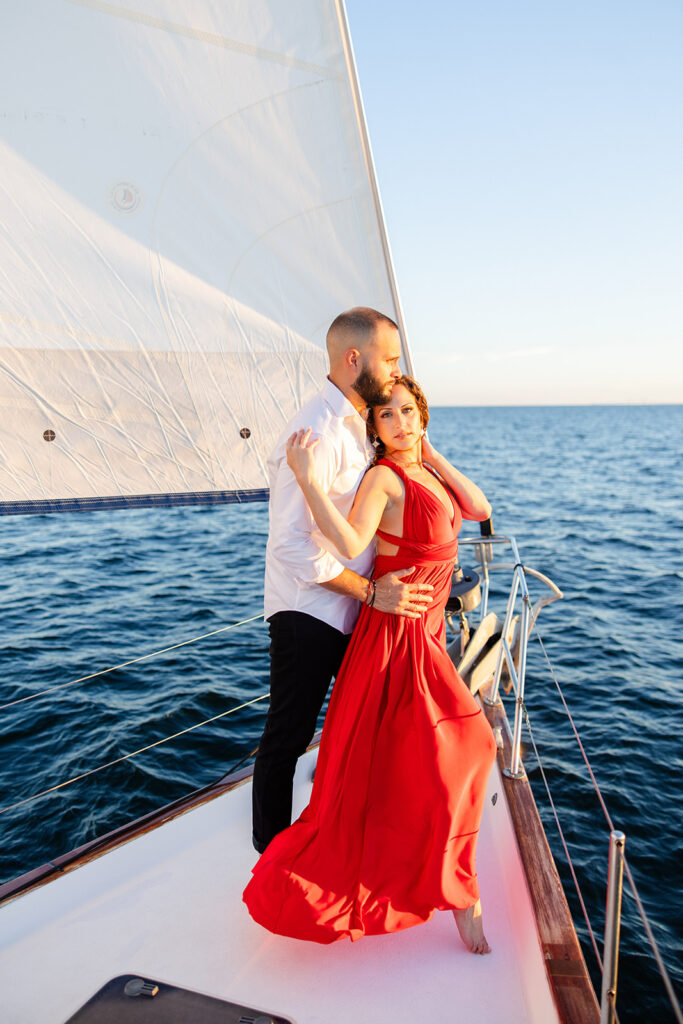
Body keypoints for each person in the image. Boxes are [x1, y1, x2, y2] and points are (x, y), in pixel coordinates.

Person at [244, 376, 498, 954]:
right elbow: (349, 540)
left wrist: (429, 450)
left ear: (423, 415)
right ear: (375, 430)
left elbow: (480, 507)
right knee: (471, 745)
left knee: (434, 754)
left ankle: (452, 882)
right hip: (398, 633)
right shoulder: (384, 477)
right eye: (388, 416)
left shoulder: (428, 471)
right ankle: (461, 891)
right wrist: (308, 481)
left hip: (428, 631)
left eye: (409, 411)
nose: (401, 422)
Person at [252, 309, 436, 856]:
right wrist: (370, 592)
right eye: (390, 359)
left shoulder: (359, 421)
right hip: (309, 611)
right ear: (355, 359)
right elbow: (289, 545)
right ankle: (271, 856)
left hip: (352, 610)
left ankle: (349, 834)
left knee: (364, 727)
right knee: (288, 735)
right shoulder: (317, 432)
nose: (397, 368)